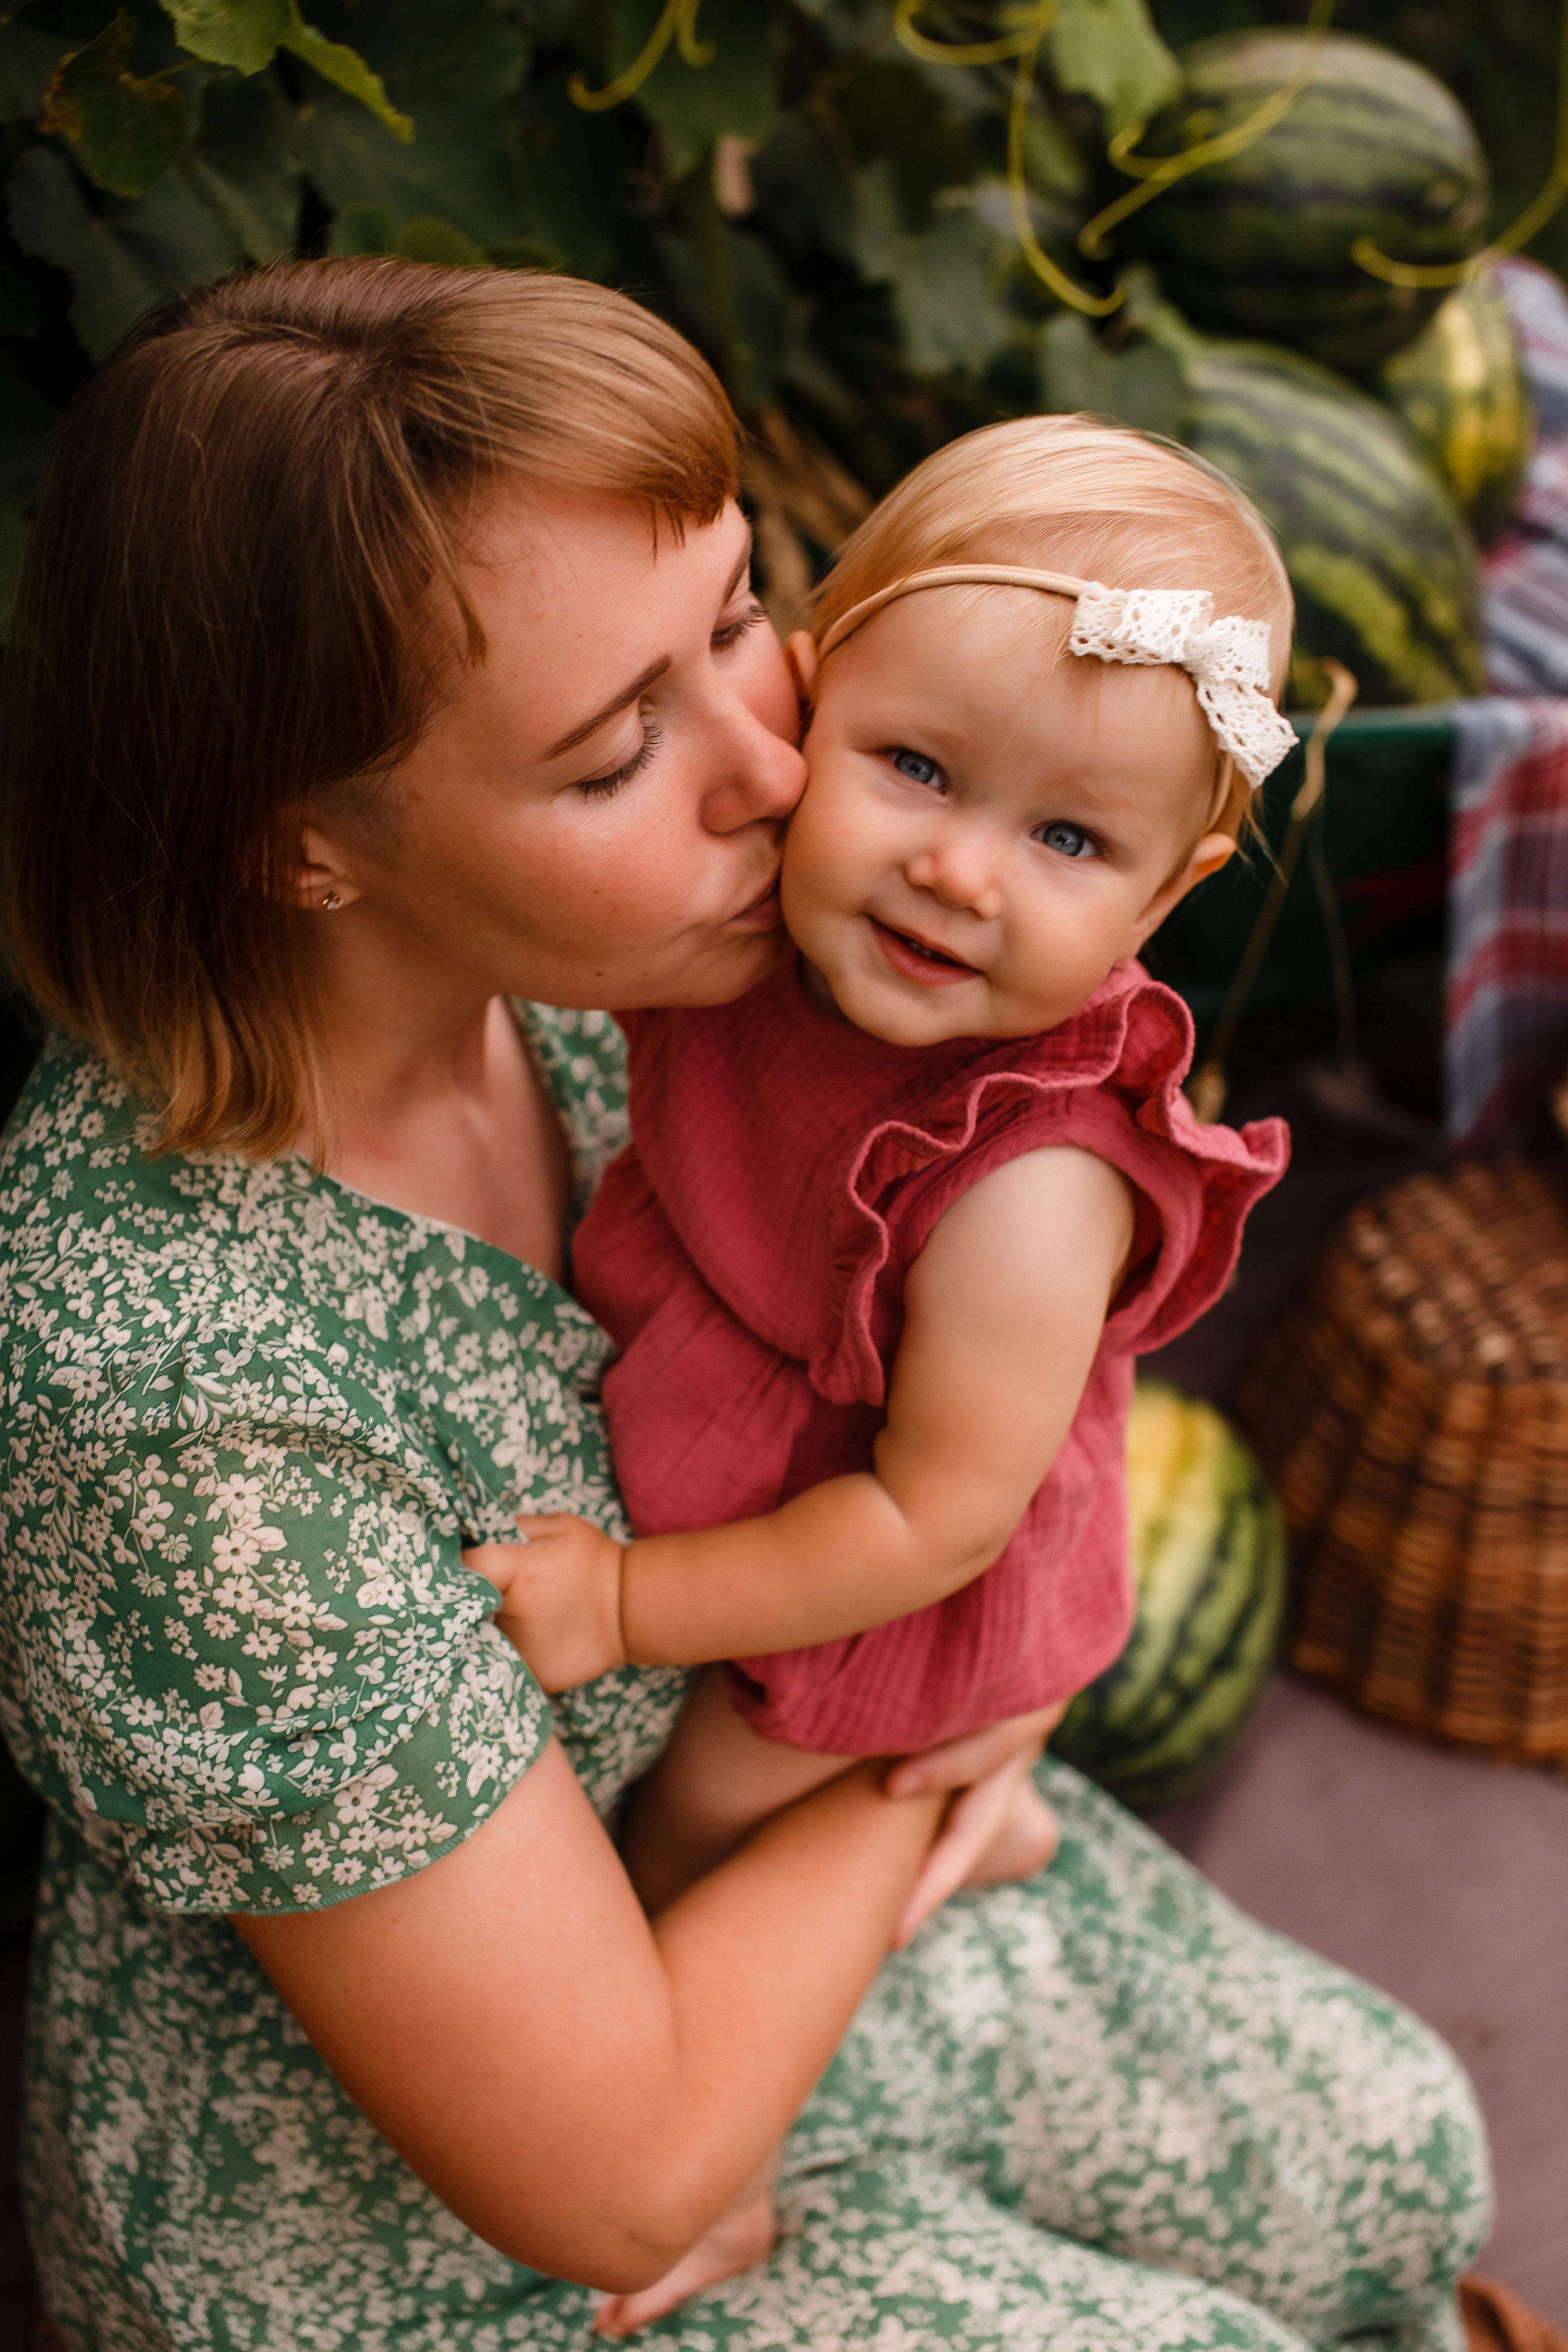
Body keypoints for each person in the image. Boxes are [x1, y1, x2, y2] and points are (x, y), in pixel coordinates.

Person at [0, 257, 1488, 2352]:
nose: (776, 775)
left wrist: (1015, 1667)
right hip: (442, 2210)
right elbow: (613, 2174)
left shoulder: (680, 967)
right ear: (307, 849)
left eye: (738, 628)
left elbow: (993, 1374)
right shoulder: (181, 1412)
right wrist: (926, 1794)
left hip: (743, 1783)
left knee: (1402, 2160)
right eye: (616, 753)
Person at [483, 421, 1294, 1944]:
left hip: (887, 1555)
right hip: (774, 1421)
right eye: (914, 766)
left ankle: (710, 2092)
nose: (958, 872)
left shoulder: (1030, 1187)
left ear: (1163, 892)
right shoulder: (767, 924)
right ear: (804, 695)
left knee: (700, 1807)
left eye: (1066, 837)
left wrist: (625, 1610)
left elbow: (932, 1519)